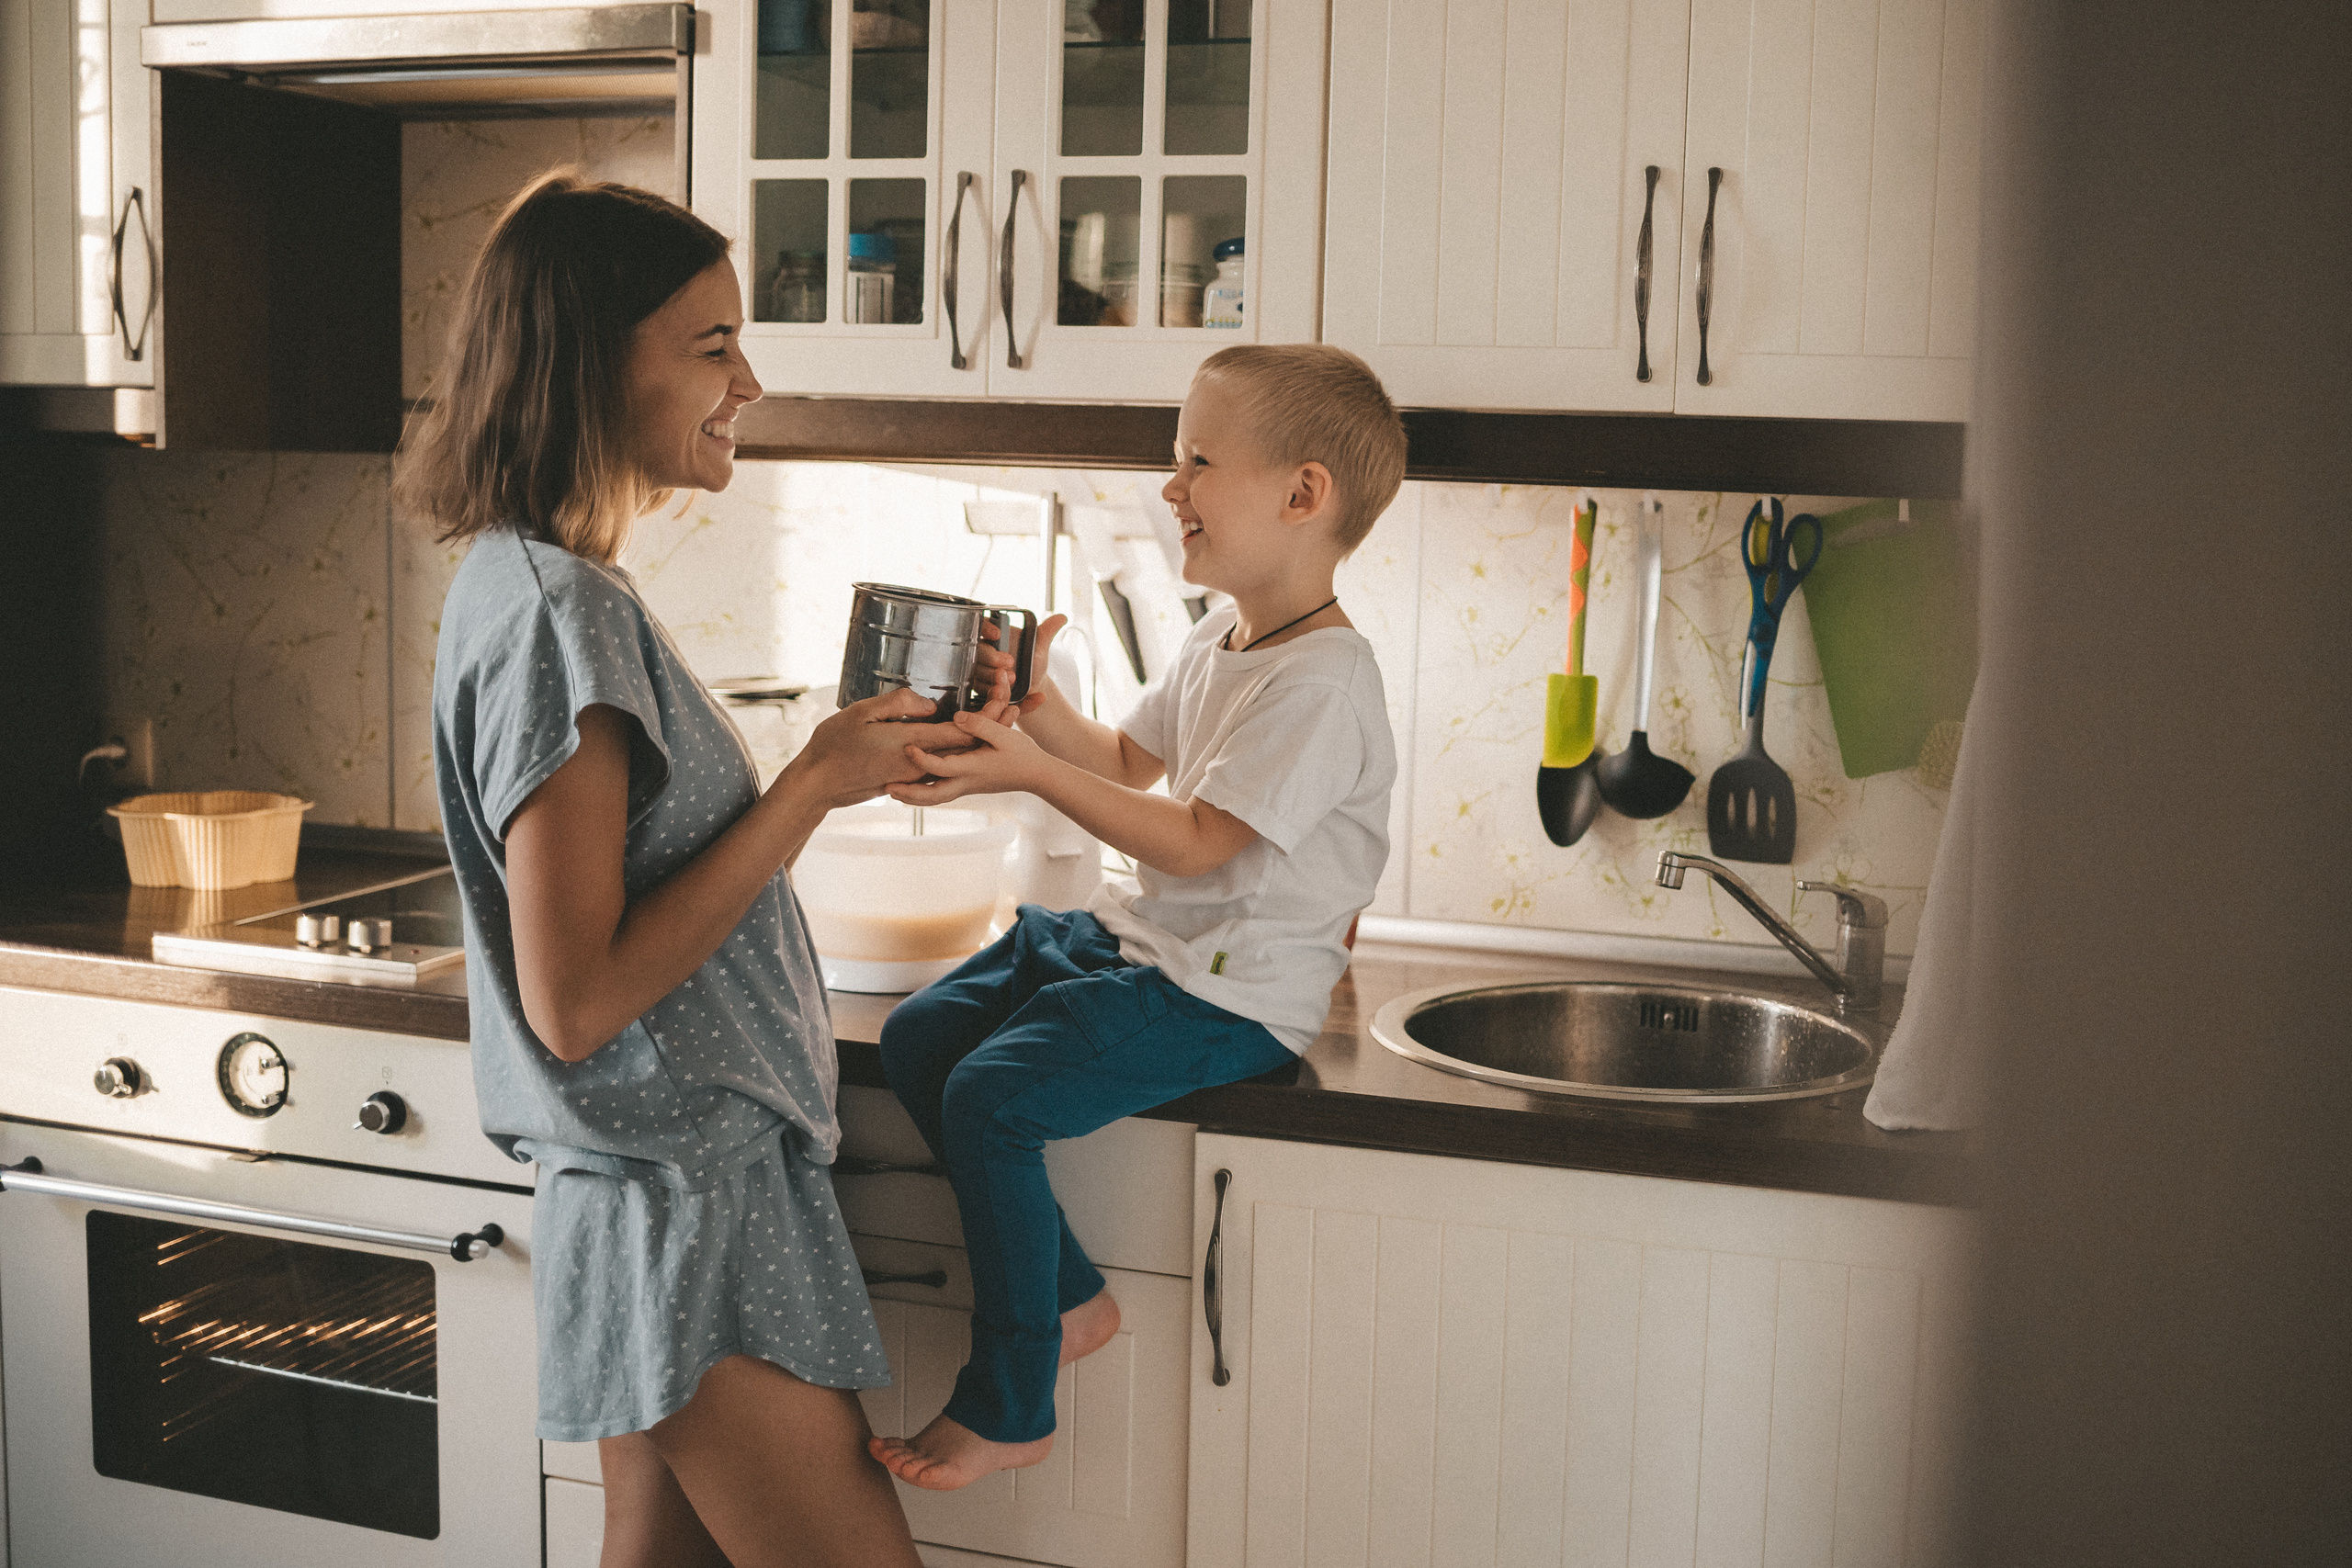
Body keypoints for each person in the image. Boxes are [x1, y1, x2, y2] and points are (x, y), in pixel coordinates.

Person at [404, 171, 953, 1568]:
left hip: (672, 1193)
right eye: (711, 345)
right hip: (683, 1205)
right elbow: (577, 996)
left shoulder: (538, 580)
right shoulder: (555, 614)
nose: (748, 378)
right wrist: (814, 783)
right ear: (594, 363)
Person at [868, 343, 1408, 1490]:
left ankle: (1014, 1399)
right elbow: (1127, 759)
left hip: (1229, 996)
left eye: (1196, 462)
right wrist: (1041, 713)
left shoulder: (1324, 684)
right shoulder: (1227, 633)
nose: (1170, 489)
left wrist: (1025, 770)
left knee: (994, 1098)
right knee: (917, 1039)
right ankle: (1066, 1298)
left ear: (1302, 494)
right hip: (1144, 949)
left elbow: (1203, 840)